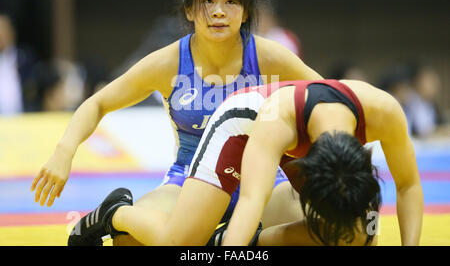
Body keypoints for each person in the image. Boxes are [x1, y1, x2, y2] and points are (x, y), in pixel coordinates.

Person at [30, 0, 323, 245]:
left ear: (245, 12)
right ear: (189, 11)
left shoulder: (269, 56)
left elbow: (330, 98)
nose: (218, 12)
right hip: (192, 179)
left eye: (230, 2)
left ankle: (217, 241)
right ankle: (114, 213)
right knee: (129, 241)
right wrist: (63, 151)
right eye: (207, 1)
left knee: (328, 232)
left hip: (262, 179)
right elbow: (98, 103)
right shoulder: (169, 63)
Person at [66, 79, 423, 246]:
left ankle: (242, 241)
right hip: (242, 123)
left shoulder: (384, 110)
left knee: (358, 236)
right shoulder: (271, 124)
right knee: (180, 247)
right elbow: (251, 200)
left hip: (301, 138)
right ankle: (115, 212)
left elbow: (408, 185)